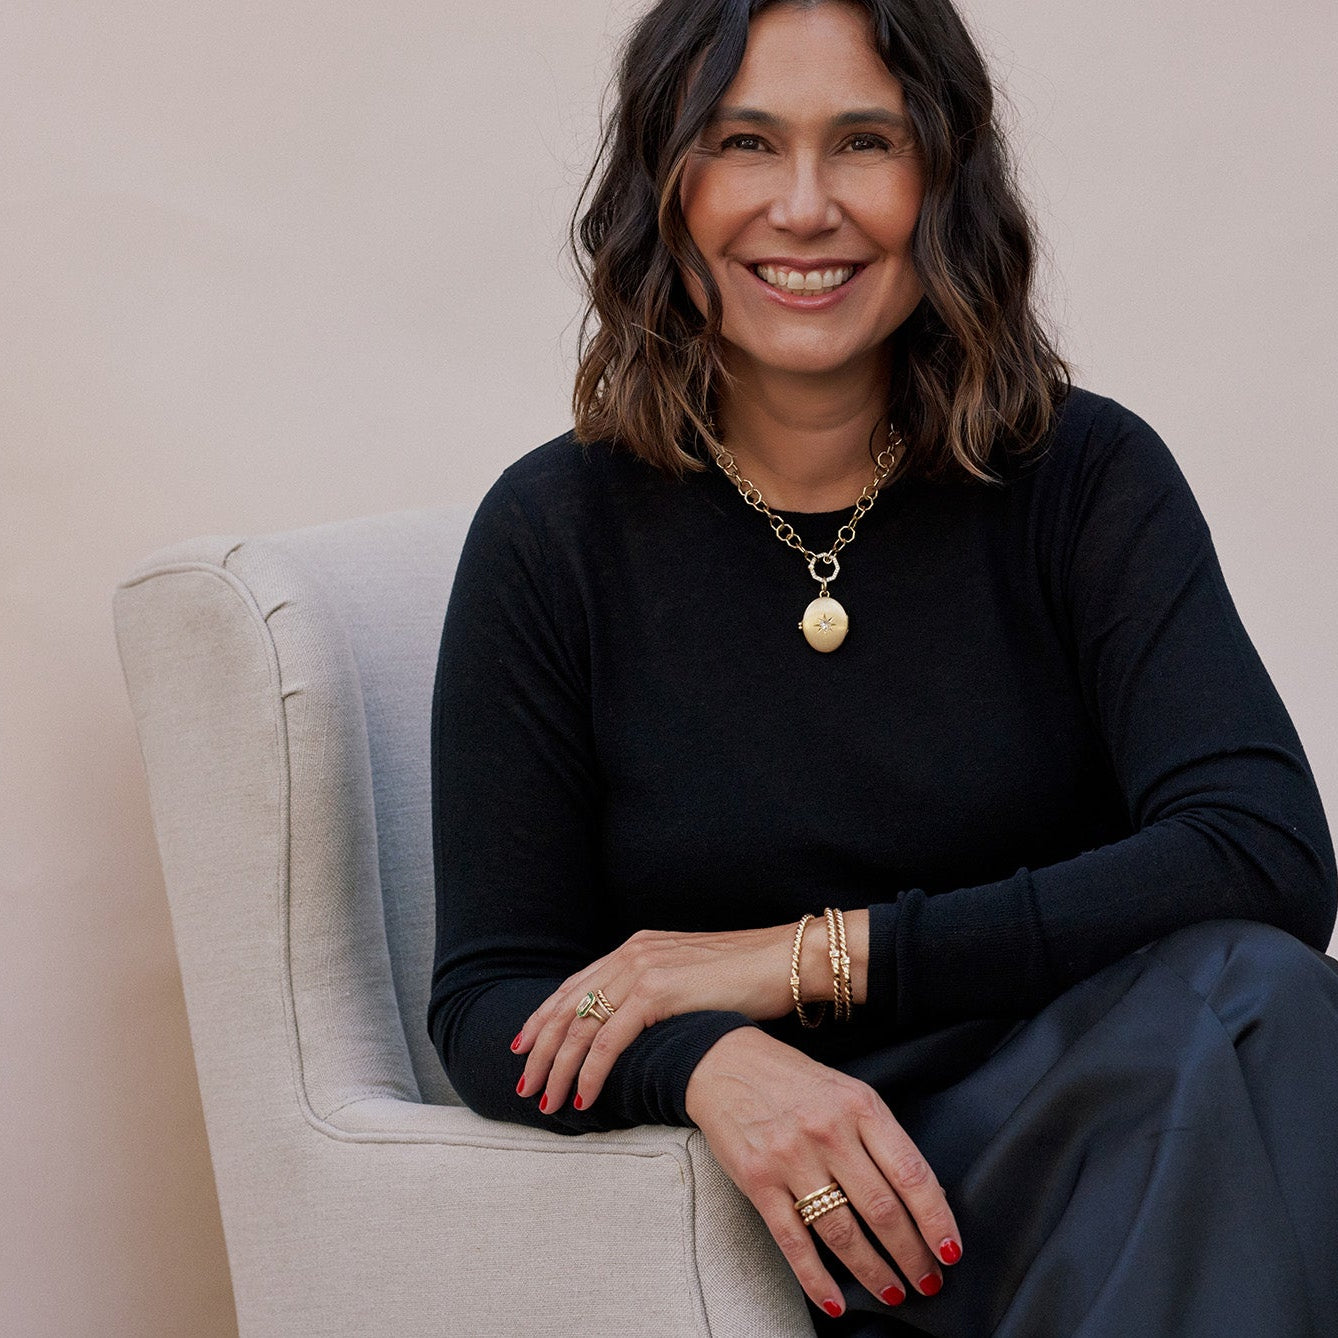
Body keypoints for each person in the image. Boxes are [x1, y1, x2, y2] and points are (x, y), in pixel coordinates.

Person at [427, 0, 1338, 1333]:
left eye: (864, 143)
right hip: (828, 1201)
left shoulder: (1081, 481)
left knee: (1265, 1007)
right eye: (744, 143)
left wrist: (803, 960)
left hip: (1096, 1121)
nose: (804, 207)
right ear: (664, 190)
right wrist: (712, 1059)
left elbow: (1263, 854)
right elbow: (493, 993)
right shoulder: (555, 533)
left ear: (942, 183)